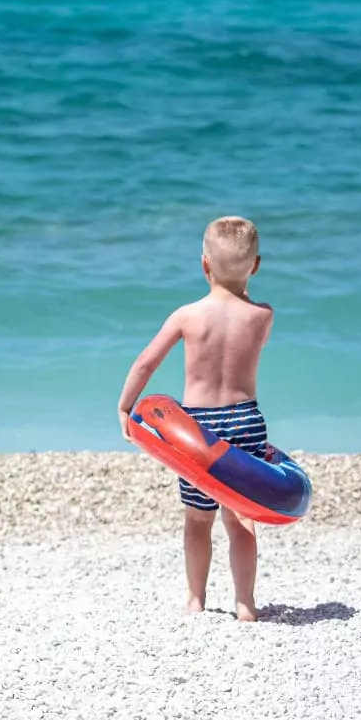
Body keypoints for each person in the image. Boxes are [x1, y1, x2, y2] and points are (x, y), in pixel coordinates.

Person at [117, 217, 276, 621]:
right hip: (245, 420)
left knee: (198, 519)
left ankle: (195, 599)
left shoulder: (186, 316)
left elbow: (146, 362)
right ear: (255, 266)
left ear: (204, 265)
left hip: (196, 429)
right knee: (240, 518)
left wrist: (126, 407)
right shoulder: (262, 315)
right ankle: (245, 603)